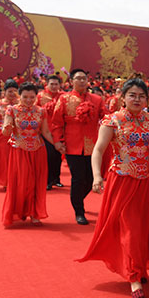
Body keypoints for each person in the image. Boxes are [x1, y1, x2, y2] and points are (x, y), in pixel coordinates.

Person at [77, 79, 149, 298]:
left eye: (142, 96)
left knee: (142, 227)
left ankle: (138, 267)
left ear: (147, 99)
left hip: (146, 181)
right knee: (129, 228)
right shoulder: (112, 120)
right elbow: (98, 150)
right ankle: (134, 277)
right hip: (122, 180)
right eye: (132, 95)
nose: (137, 99)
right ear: (123, 97)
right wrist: (97, 176)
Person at [51, 69, 106, 225]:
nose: (82, 81)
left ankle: (77, 198)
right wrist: (58, 141)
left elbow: (106, 117)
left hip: (93, 145)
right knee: (78, 178)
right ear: (71, 81)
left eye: (84, 78)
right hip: (72, 144)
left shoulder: (97, 99)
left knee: (91, 178)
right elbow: (56, 123)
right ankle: (79, 211)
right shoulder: (64, 99)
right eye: (78, 78)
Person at [1, 83, 54, 227]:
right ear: (19, 96)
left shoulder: (41, 111)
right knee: (22, 182)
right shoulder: (12, 110)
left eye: (32, 97)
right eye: (25, 97)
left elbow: (46, 132)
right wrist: (7, 128)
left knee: (36, 183)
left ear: (36, 96)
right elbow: (5, 131)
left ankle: (34, 213)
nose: (29, 100)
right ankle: (18, 211)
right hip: (19, 150)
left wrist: (58, 145)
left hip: (38, 150)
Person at [36, 75, 64, 190]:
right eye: (51, 84)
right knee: (48, 156)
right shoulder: (40, 96)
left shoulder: (63, 97)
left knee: (58, 156)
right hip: (45, 130)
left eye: (56, 84)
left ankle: (56, 179)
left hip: (60, 131)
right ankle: (47, 180)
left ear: (59, 85)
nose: (54, 86)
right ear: (46, 84)